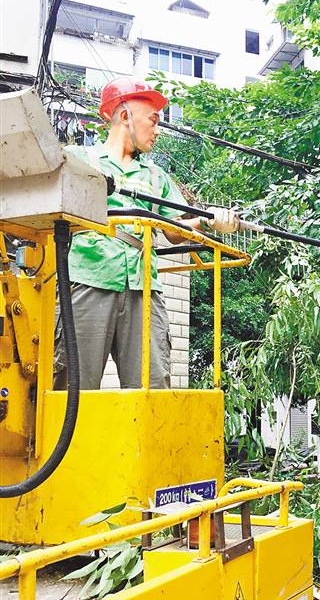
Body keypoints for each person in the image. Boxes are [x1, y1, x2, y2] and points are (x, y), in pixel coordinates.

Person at [54, 77, 239, 390]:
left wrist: (210, 221)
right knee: (73, 391)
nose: (157, 130)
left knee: (152, 389)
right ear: (125, 116)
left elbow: (177, 232)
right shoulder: (78, 160)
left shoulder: (156, 176)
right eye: (153, 121)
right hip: (87, 279)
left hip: (144, 287)